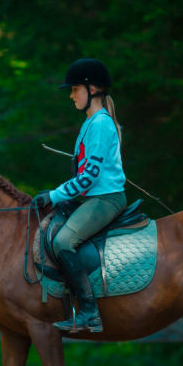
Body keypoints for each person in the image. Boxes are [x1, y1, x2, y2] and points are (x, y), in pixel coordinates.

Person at [34, 58, 127, 333]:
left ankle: (89, 313)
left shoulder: (100, 124)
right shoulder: (91, 123)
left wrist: (54, 194)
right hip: (91, 197)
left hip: (105, 200)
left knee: (63, 241)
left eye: (75, 89)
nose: (72, 95)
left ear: (93, 89)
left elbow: (89, 177)